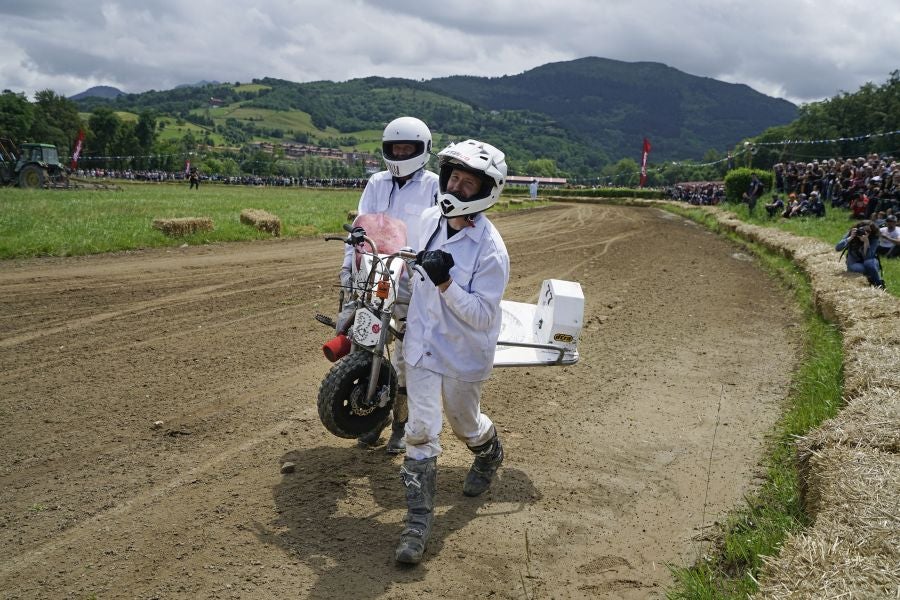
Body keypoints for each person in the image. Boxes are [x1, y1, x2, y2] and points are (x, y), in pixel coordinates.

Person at [394, 139, 510, 565]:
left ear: (485, 191)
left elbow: (482, 315)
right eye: (453, 178)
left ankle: (488, 448)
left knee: (465, 424)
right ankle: (417, 524)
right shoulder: (427, 219)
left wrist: (447, 284)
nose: (457, 187)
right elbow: (408, 268)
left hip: (462, 352)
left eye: (468, 182)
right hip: (421, 346)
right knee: (421, 430)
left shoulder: (491, 251)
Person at [340, 117, 440, 454]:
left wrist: (429, 260)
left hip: (414, 280)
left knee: (405, 356)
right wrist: (347, 266)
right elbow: (360, 226)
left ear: (421, 150)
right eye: (394, 147)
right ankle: (371, 417)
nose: (399, 153)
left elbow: (439, 231)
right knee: (365, 343)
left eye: (406, 148)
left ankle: (400, 424)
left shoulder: (433, 186)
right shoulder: (377, 182)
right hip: (375, 274)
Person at [835, 220, 886, 288]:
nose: (865, 233)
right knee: (863, 269)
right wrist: (850, 238)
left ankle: (879, 285)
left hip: (869, 260)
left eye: (868, 231)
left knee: (870, 264)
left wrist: (866, 243)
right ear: (858, 229)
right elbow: (837, 248)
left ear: (872, 232)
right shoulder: (852, 233)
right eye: (862, 230)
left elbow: (869, 257)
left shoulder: (874, 238)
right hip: (854, 262)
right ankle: (871, 280)